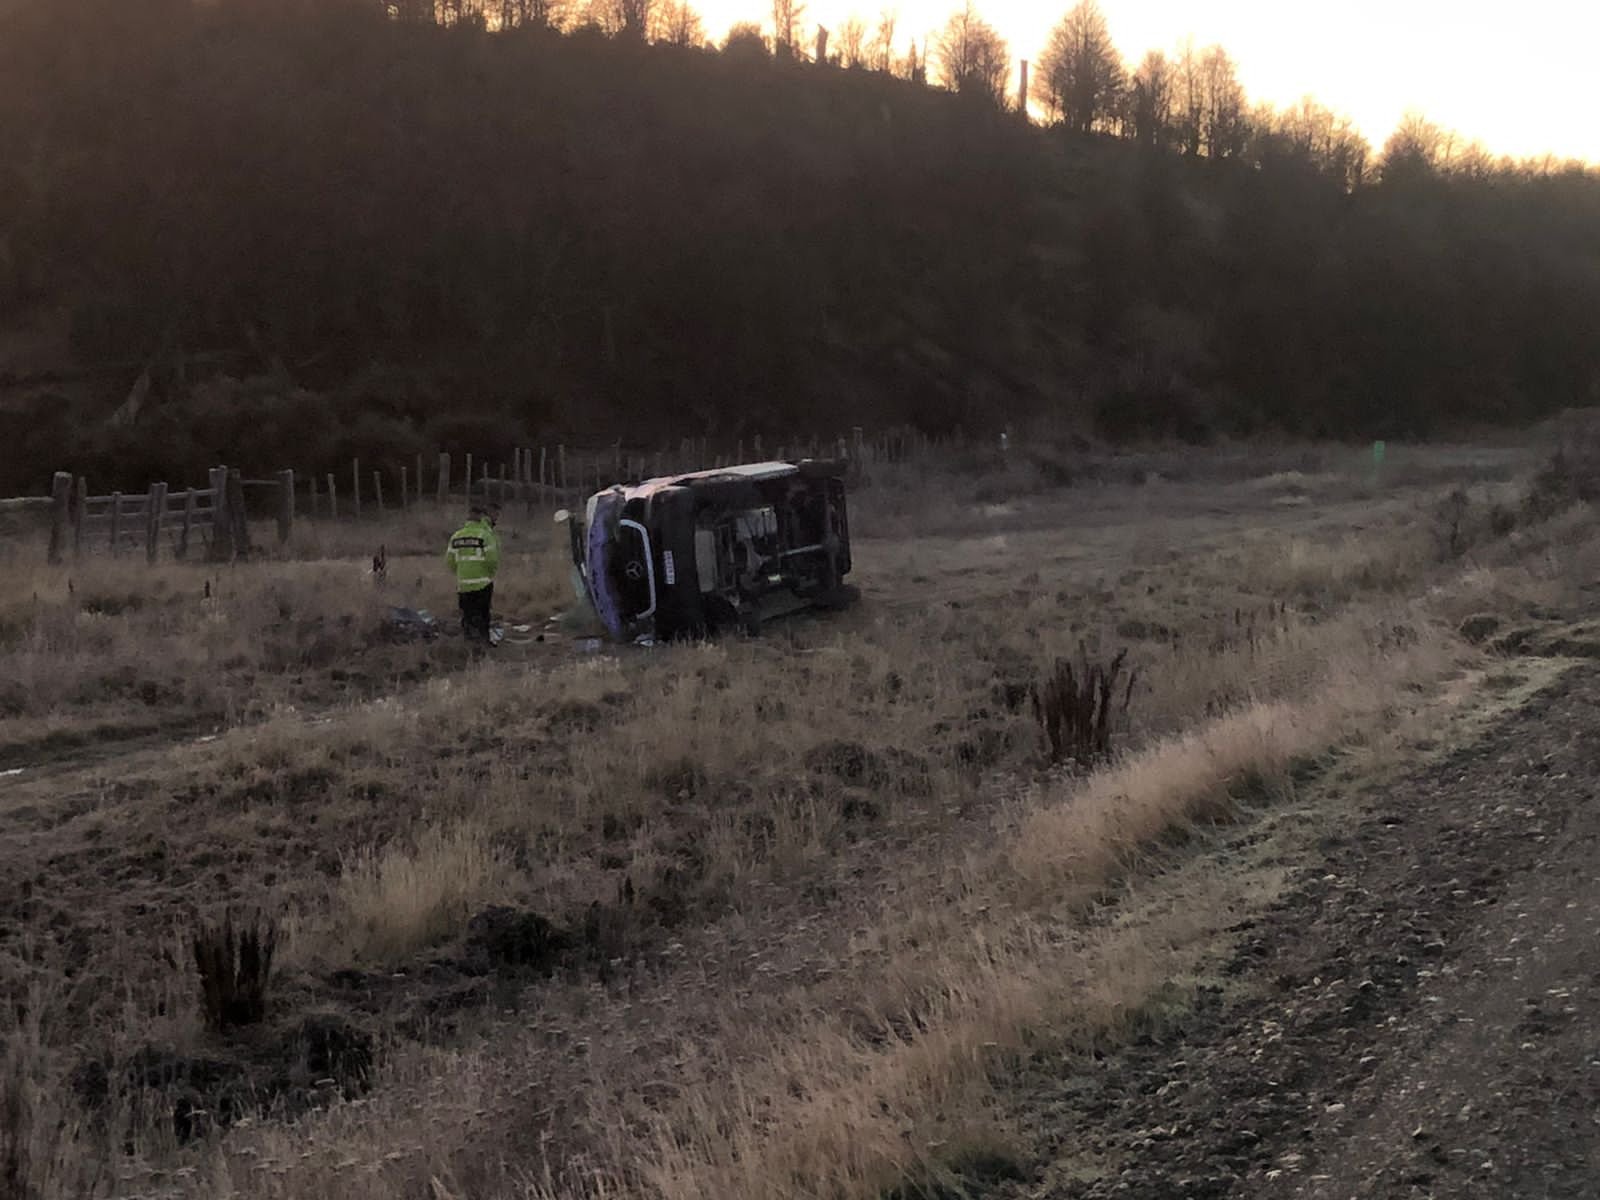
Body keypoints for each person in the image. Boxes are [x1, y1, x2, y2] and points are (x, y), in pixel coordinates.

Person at [445, 501, 501, 645]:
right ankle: (483, 643)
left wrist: (462, 574)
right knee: (483, 616)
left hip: (463, 585)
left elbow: (449, 562)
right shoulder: (485, 535)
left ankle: (468, 644)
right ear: (481, 517)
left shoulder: (456, 536)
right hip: (482, 584)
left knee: (467, 617)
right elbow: (492, 560)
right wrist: (487, 574)